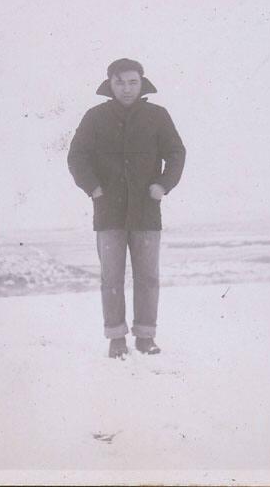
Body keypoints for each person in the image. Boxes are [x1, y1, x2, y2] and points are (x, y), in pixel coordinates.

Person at [67, 58, 186, 359]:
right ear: (110, 84)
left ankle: (146, 337)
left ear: (142, 82)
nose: (127, 88)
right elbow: (77, 156)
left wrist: (163, 185)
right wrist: (93, 188)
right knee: (112, 278)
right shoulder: (95, 117)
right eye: (120, 82)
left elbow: (176, 152)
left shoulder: (157, 116)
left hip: (147, 211)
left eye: (133, 81)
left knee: (148, 277)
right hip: (108, 212)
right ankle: (116, 337)